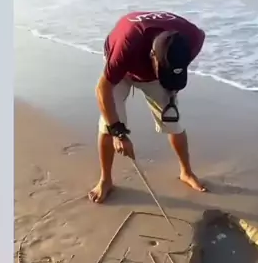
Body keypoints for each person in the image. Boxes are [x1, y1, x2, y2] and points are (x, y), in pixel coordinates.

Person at [88, 10, 207, 203]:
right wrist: (118, 132)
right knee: (108, 125)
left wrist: (173, 80)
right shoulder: (127, 45)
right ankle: (105, 180)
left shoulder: (192, 37)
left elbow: (198, 40)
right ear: (152, 56)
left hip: (157, 69)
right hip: (123, 70)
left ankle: (186, 172)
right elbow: (103, 89)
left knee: (173, 122)